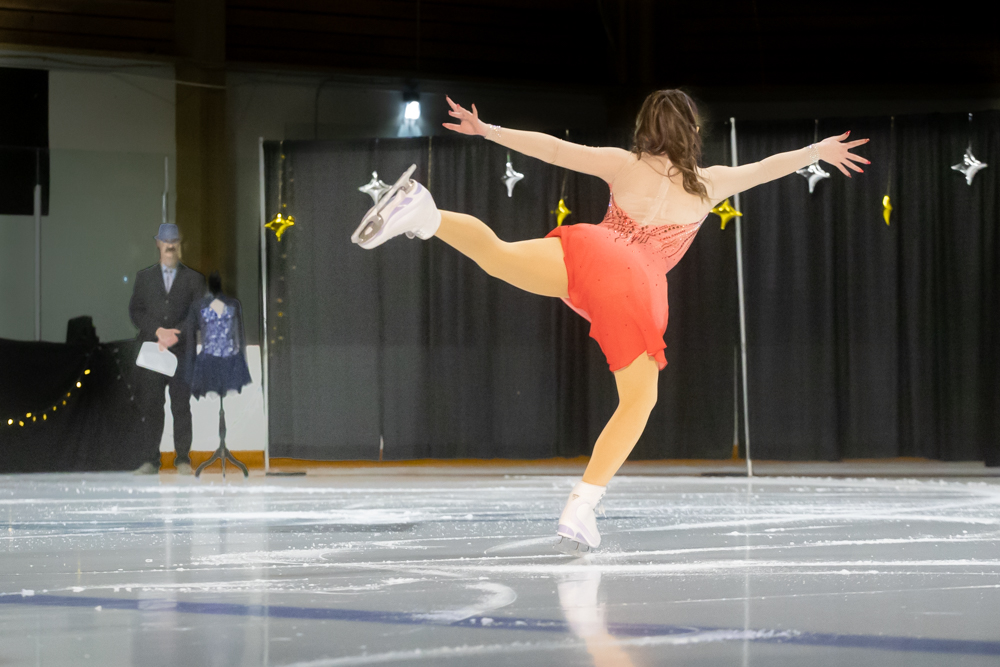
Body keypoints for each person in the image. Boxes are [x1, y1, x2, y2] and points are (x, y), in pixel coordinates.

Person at [351, 90, 869, 552]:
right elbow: (768, 167)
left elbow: (554, 149)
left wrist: (489, 130)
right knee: (638, 402)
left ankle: (426, 214)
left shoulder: (623, 164)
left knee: (499, 254)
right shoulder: (712, 183)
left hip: (593, 251)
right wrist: (816, 151)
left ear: (645, 128)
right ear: (693, 130)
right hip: (635, 282)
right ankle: (582, 506)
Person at [128, 223, 207, 475]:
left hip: (182, 353)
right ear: (158, 244)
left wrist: (177, 334)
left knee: (181, 406)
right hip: (154, 352)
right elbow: (136, 311)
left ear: (179, 244)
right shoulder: (144, 278)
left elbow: (199, 314)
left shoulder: (194, 279)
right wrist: (158, 331)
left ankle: (182, 459)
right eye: (166, 241)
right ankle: (151, 460)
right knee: (151, 406)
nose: (170, 245)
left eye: (174, 241)